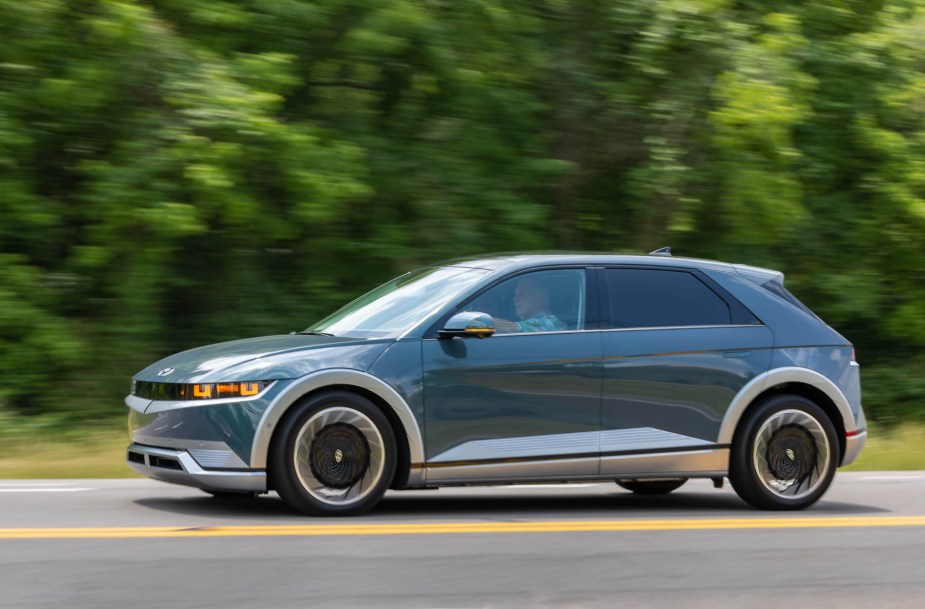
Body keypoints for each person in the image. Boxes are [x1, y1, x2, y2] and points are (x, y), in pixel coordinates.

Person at [493, 276, 566, 333]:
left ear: (538, 300)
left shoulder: (548, 323)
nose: (515, 299)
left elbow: (511, 328)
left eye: (521, 294)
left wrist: (485, 321)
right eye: (515, 295)